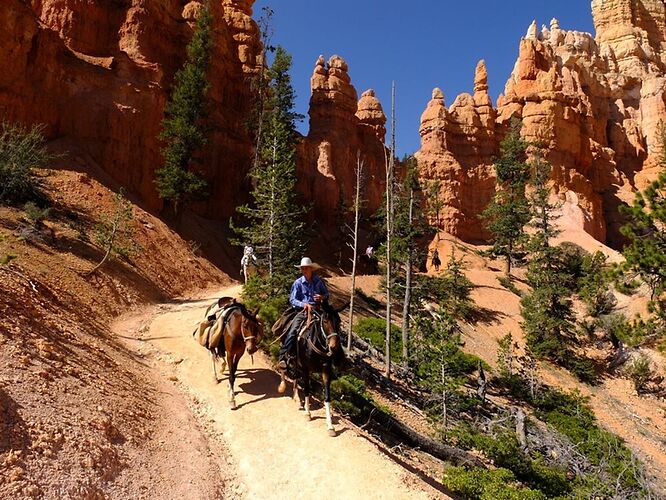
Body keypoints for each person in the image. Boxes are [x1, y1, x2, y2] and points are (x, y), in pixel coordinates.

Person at [277, 257, 329, 370]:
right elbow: (292, 300)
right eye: (302, 268)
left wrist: (322, 297)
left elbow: (326, 294)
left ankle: (338, 358)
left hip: (318, 309)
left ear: (311, 269)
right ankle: (283, 356)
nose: (304, 270)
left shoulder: (318, 281)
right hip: (302, 311)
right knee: (293, 330)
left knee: (331, 326)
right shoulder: (298, 283)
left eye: (306, 268)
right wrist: (303, 304)